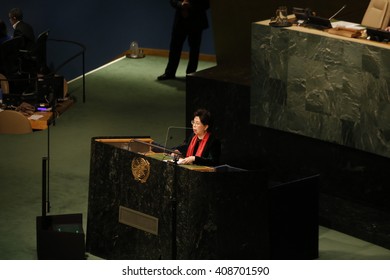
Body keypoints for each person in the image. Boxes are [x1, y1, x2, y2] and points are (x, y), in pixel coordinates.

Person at [157, 0, 210, 80]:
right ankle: (170, 72)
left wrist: (190, 5)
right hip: (180, 21)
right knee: (174, 47)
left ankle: (191, 74)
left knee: (194, 49)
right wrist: (180, 4)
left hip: (196, 21)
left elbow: (206, 4)